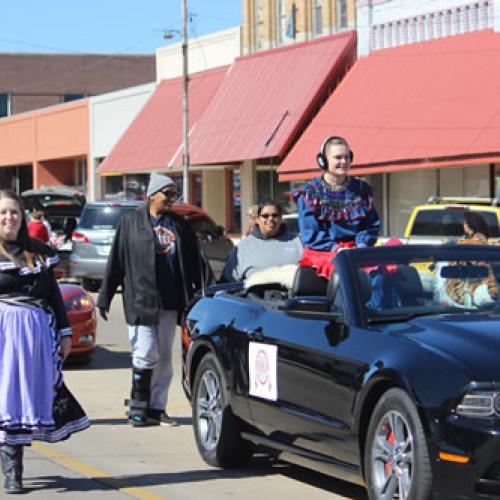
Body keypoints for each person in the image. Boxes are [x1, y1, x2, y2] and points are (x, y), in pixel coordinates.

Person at [97, 172, 206, 428]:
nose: (171, 198)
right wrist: (105, 295)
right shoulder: (130, 222)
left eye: (174, 194)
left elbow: (194, 263)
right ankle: (138, 407)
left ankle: (157, 409)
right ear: (152, 194)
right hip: (140, 300)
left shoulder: (179, 225)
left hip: (169, 301)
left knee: (165, 359)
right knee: (145, 353)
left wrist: (202, 293)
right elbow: (116, 261)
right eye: (167, 193)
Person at [0, 190, 89, 494]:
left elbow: (53, 295)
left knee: (24, 399)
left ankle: (14, 467)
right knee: (7, 399)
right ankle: (11, 468)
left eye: (13, 212)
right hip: (2, 337)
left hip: (35, 338)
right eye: (2, 212)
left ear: (22, 216)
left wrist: (65, 334)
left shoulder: (38, 251)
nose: (8, 218)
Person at [292, 136, 381, 278]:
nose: (344, 162)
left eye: (346, 157)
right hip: (324, 253)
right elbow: (311, 234)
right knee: (344, 274)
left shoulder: (362, 189)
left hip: (356, 251)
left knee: (383, 272)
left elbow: (370, 226)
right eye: (338, 158)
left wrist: (362, 245)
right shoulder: (309, 193)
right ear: (323, 161)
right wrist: (336, 249)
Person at [221, 200, 303, 282]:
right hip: (255, 294)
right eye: (265, 216)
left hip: (292, 294)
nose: (270, 219)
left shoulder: (298, 242)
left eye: (275, 215)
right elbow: (226, 284)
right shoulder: (242, 248)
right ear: (257, 220)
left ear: (281, 219)